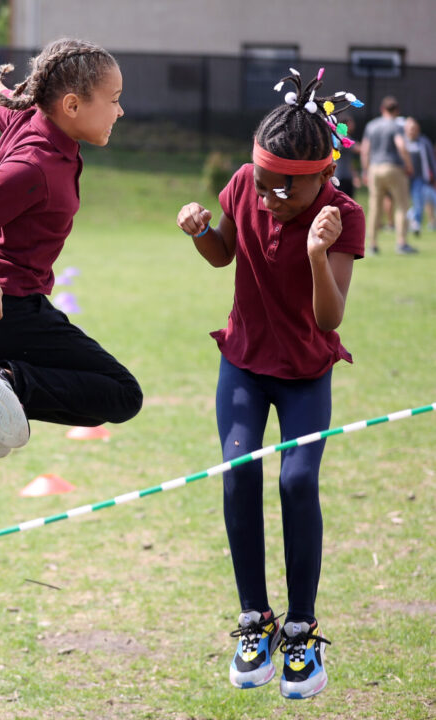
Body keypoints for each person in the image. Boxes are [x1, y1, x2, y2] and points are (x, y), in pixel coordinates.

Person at [176, 68, 364, 701]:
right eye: (265, 183)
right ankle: (254, 621)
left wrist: (316, 254)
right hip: (246, 362)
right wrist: (202, 229)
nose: (274, 197)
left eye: (290, 186)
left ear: (323, 173)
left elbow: (330, 317)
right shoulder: (243, 186)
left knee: (297, 479)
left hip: (306, 370)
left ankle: (303, 631)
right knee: (239, 472)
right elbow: (224, 251)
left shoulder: (344, 215)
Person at [0, 4, 142, 459]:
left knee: (104, 396)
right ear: (72, 105)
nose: (120, 110)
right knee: (122, 394)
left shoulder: (27, 118)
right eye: (113, 99)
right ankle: (1, 382)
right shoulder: (35, 165)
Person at [360, 96, 415, 254]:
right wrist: (409, 165)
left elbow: (365, 149)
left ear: (382, 109)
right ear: (397, 110)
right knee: (401, 205)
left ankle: (372, 244)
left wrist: (365, 170)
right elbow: (401, 146)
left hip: (375, 169)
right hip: (393, 167)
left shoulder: (372, 125)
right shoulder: (396, 125)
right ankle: (401, 242)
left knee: (375, 207)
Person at [403, 117, 436, 236]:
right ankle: (410, 219)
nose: (412, 131)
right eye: (410, 129)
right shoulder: (402, 141)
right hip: (405, 179)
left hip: (420, 178)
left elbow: (431, 160)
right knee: (405, 203)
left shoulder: (424, 142)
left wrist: (434, 176)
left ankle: (416, 222)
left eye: (414, 129)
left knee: (419, 201)